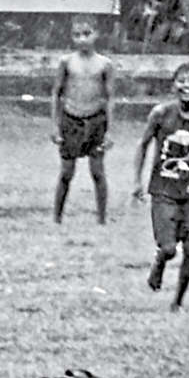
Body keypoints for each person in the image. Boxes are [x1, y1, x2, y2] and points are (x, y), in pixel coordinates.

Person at [130, 63, 189, 312]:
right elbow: (143, 145)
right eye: (182, 80)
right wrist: (137, 180)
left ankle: (177, 301)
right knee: (169, 248)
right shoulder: (161, 114)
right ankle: (160, 260)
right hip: (163, 190)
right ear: (173, 85)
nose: (187, 86)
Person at [52, 16, 114, 224]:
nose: (82, 39)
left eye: (87, 34)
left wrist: (109, 130)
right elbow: (56, 93)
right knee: (66, 172)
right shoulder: (66, 62)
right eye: (77, 35)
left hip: (96, 119)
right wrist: (55, 126)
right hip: (71, 119)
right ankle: (57, 217)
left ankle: (102, 219)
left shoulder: (105, 64)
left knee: (97, 172)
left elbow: (110, 97)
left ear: (96, 34)